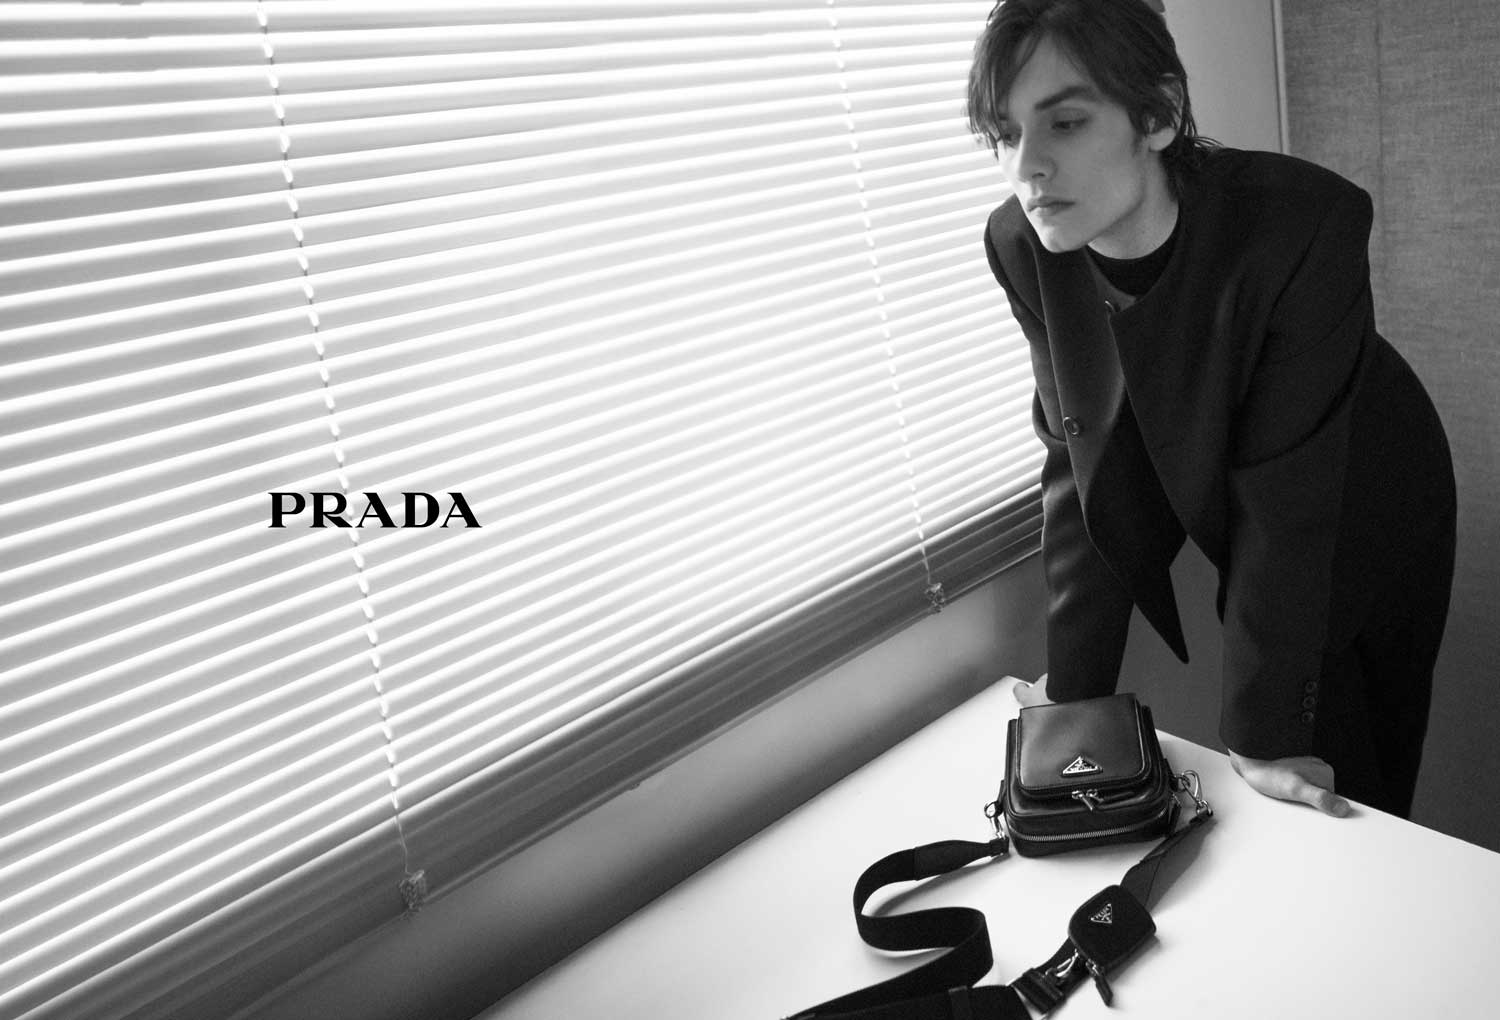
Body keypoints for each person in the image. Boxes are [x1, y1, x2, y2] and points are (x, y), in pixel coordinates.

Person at [969, 0, 1456, 819]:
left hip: (1365, 483)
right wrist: (1073, 696)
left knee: (1346, 768)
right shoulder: (1023, 245)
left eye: (1066, 123)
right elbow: (1078, 457)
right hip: (1257, 488)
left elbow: (1289, 504)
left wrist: (1263, 736)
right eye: (1005, 134)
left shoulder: (1303, 224)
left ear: (1158, 113)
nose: (1028, 167)